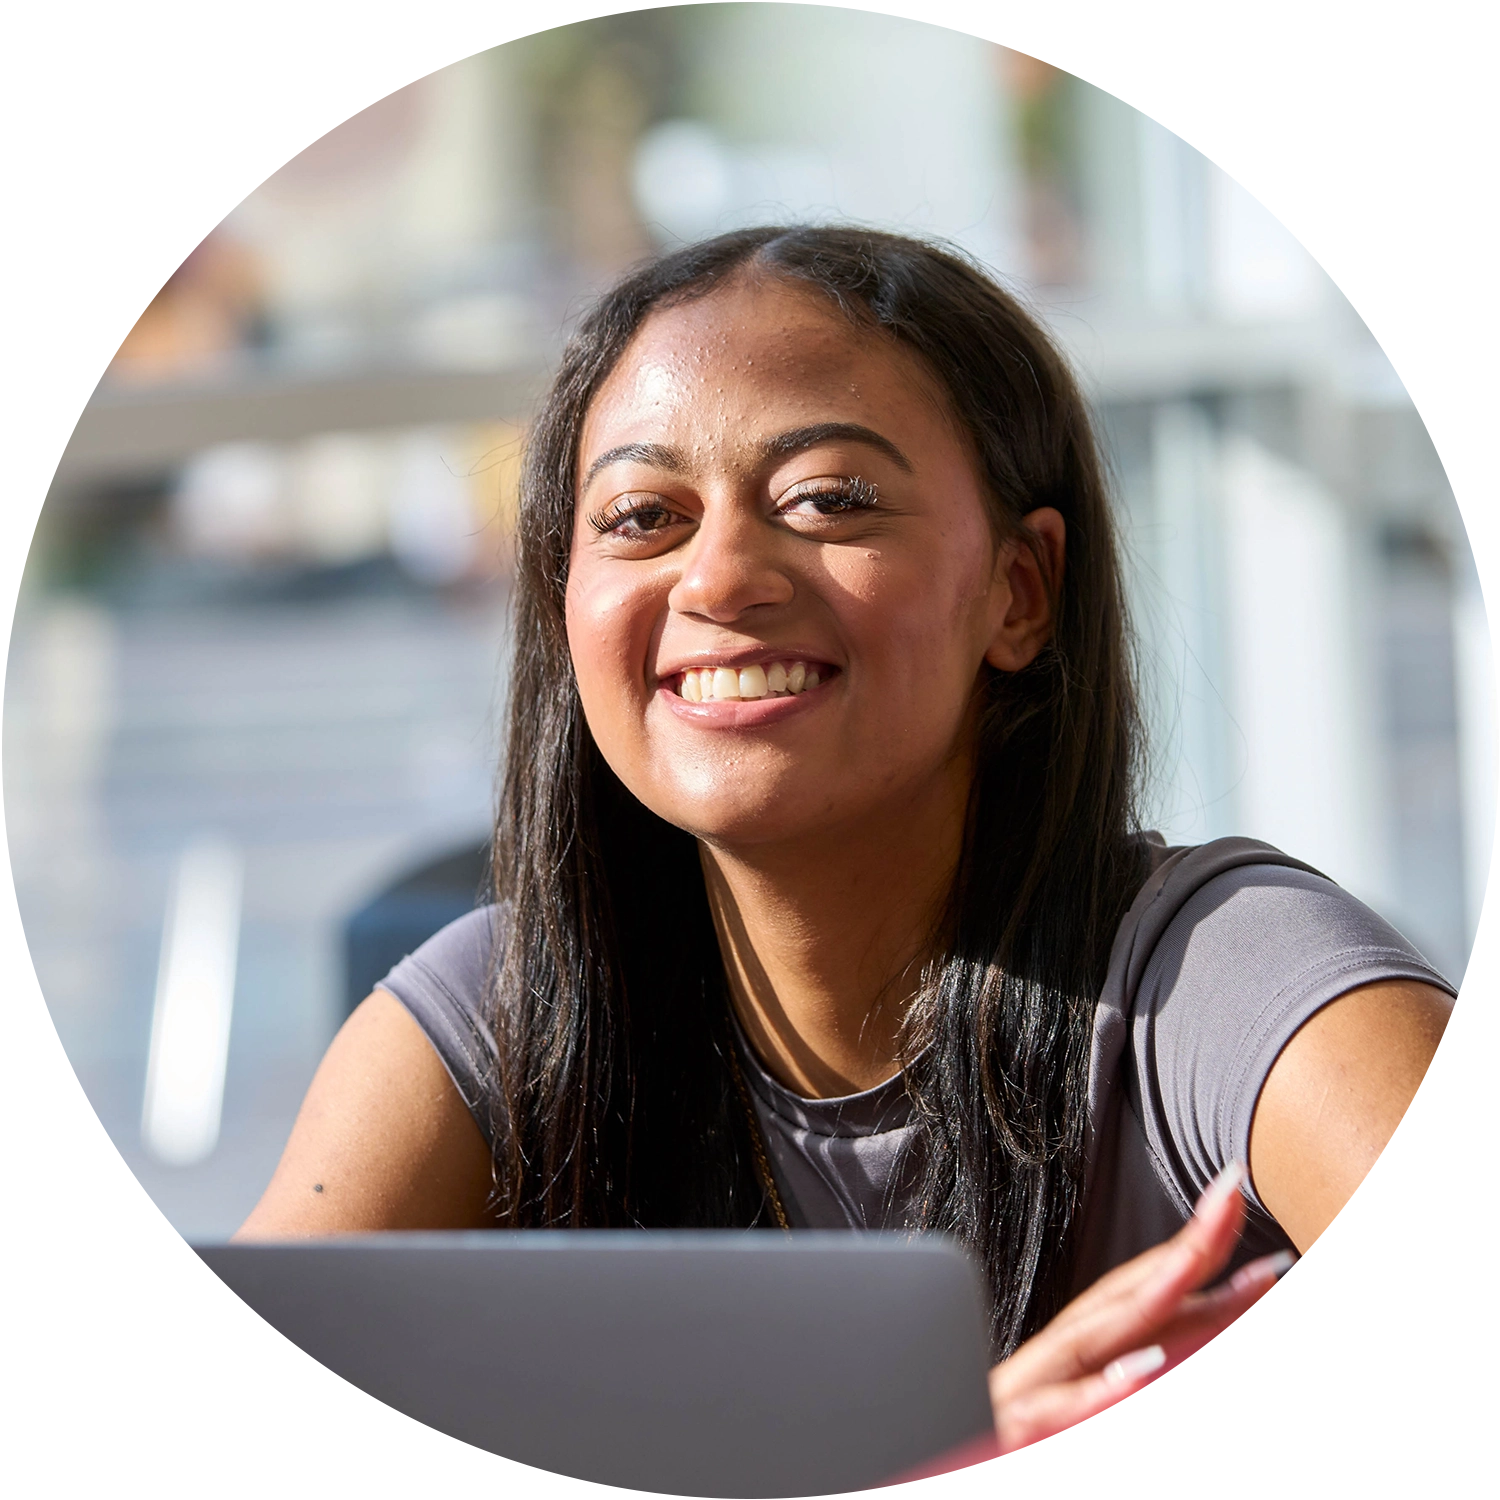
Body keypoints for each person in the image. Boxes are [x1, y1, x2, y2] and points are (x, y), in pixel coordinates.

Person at [238, 226, 1494, 1449]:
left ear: (1019, 592)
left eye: (827, 498)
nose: (720, 578)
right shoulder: (493, 1019)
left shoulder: (1220, 979)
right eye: (640, 517)